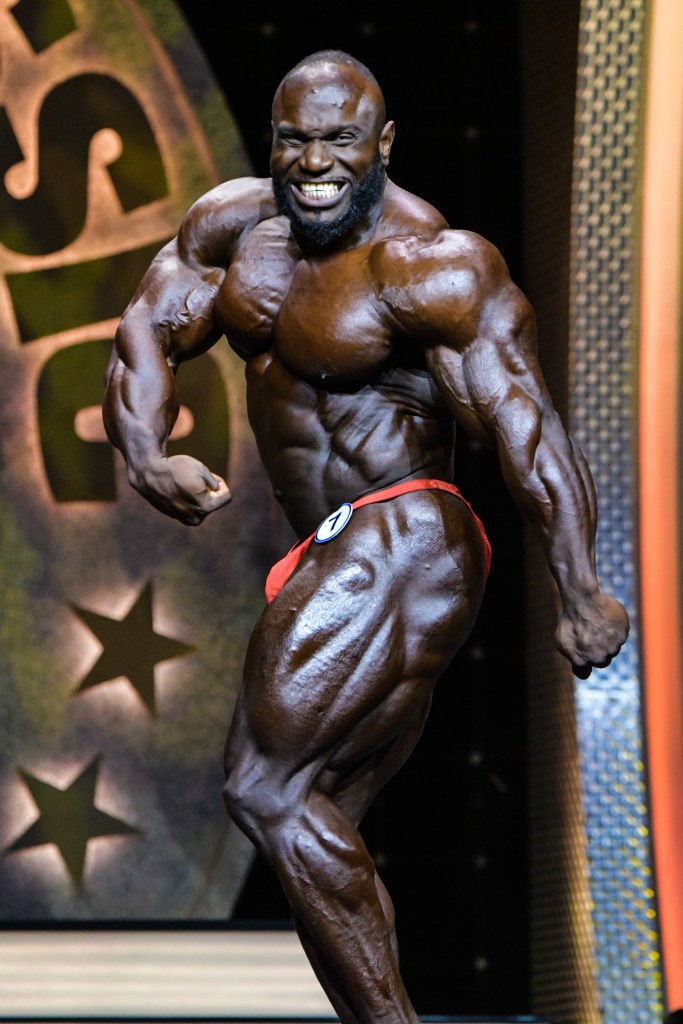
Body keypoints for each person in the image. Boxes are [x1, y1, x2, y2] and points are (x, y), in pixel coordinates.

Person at [103, 49, 629, 1024]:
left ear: (381, 142)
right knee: (312, 822)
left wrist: (579, 585)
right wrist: (147, 454)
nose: (313, 163)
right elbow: (145, 329)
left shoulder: (429, 264)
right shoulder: (231, 228)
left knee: (265, 787)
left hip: (410, 531)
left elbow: (524, 424)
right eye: (293, 140)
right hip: (335, 551)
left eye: (338, 140)